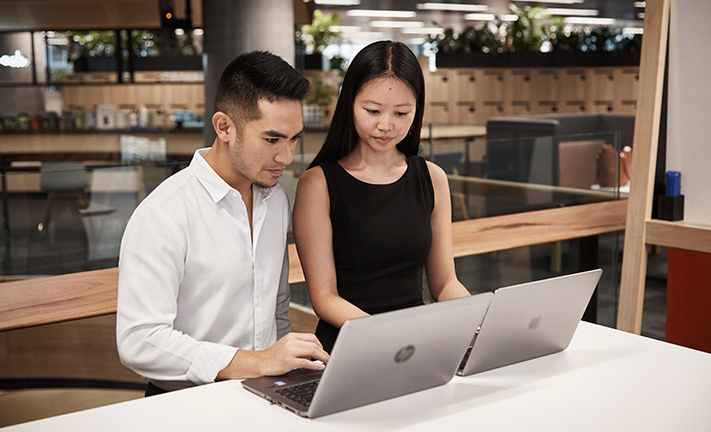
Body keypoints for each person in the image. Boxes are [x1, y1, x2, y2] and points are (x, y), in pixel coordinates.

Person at [116, 51, 329, 396]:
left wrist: (278, 372)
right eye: (272, 139)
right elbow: (139, 342)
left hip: (264, 392)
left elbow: (275, 310)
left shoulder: (275, 202)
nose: (286, 157)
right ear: (224, 127)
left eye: (293, 139)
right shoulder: (162, 214)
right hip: (185, 404)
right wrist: (257, 362)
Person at [293, 41, 471, 353]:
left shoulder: (432, 177)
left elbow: (444, 284)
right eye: (372, 111)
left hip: (416, 344)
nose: (385, 125)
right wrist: (389, 337)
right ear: (350, 103)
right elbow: (325, 298)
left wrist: (478, 317)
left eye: (402, 113)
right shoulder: (318, 183)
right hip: (353, 345)